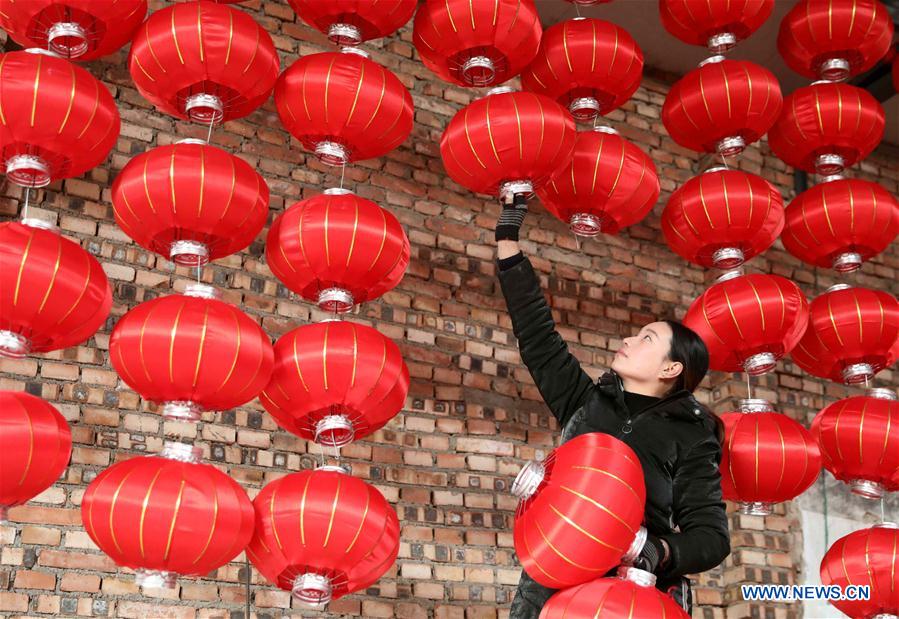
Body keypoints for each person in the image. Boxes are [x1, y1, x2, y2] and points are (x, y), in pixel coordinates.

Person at [494, 193, 731, 617]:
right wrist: (508, 239)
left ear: (671, 368)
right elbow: (537, 336)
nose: (628, 340)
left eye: (646, 339)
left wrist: (656, 550)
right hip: (548, 592)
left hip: (623, 598)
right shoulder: (586, 403)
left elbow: (711, 538)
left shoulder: (690, 436)